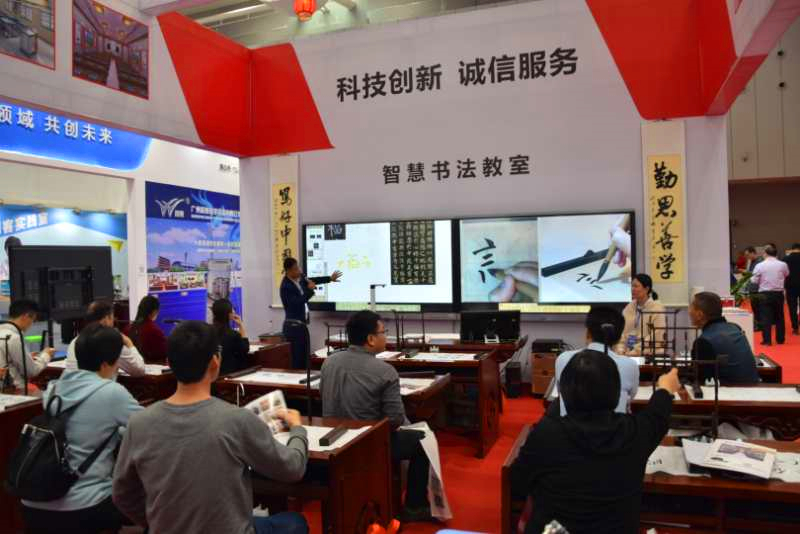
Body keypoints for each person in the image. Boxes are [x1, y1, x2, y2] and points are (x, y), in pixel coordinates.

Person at [112, 321, 309, 534]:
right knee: (294, 523)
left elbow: (122, 493)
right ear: (215, 362)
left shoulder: (139, 423)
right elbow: (292, 468)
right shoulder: (236, 420)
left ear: (169, 362)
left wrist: (156, 521)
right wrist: (298, 429)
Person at [510, 350, 680, 534]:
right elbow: (658, 413)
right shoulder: (636, 432)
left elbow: (517, 483)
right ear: (616, 391)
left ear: (564, 392)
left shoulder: (547, 433)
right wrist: (665, 388)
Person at [21, 323, 142, 534]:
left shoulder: (54, 388)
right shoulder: (111, 392)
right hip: (83, 505)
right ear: (106, 364)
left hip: (34, 501)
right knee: (148, 500)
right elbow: (150, 428)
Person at [320, 310, 431, 522]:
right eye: (383, 332)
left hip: (333, 439)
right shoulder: (385, 371)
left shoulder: (329, 362)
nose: (386, 336)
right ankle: (415, 506)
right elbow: (395, 420)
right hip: (368, 443)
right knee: (423, 440)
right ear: (371, 339)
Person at [554, 306, 639, 415]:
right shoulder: (629, 365)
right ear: (618, 338)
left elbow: (561, 393)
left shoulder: (563, 359)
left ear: (588, 333)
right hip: (613, 425)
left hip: (569, 425)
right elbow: (630, 397)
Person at [280, 257, 342, 369]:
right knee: (297, 357)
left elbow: (313, 280)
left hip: (301, 325)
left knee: (304, 355)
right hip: (293, 326)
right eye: (295, 269)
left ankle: (304, 375)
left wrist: (330, 278)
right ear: (288, 271)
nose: (299, 271)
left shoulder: (299, 279)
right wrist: (310, 290)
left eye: (298, 267)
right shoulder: (286, 286)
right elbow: (297, 303)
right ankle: (297, 377)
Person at [689, 292, 759, 384]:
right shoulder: (735, 328)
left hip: (729, 390)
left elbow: (701, 380)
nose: (689, 311)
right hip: (752, 386)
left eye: (691, 307)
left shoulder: (703, 342)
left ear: (699, 314)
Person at [65, 300, 145, 378]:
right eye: (112, 318)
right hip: (99, 386)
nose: (114, 321)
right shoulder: (110, 340)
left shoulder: (75, 341)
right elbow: (139, 370)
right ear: (107, 318)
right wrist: (129, 344)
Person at [0, 299, 54, 394]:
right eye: (33, 320)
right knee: (51, 395)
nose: (32, 324)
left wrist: (27, 356)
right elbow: (31, 371)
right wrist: (46, 355)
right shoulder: (14, 338)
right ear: (26, 316)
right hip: (15, 390)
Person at [618, 274, 667, 355]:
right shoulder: (629, 307)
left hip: (647, 351)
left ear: (646, 289)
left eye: (636, 286)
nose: (632, 289)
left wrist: (636, 350)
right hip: (628, 349)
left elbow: (657, 334)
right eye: (632, 286)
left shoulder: (657, 308)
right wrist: (621, 348)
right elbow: (621, 331)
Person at [751, 244, 789, 345]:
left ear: (765, 254)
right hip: (778, 293)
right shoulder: (783, 264)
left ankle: (767, 340)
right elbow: (786, 274)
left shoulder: (759, 265)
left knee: (765, 317)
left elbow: (754, 280)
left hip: (764, 293)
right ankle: (780, 339)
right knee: (780, 316)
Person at [211, 298, 250, 375]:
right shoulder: (233, 335)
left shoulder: (208, 332)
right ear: (229, 314)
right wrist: (240, 325)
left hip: (213, 373)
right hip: (230, 373)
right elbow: (245, 348)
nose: (234, 312)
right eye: (232, 310)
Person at [124, 295, 167, 363]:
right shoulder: (154, 331)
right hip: (152, 367)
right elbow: (164, 353)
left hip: (131, 367)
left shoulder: (128, 328)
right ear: (154, 311)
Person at [784, 243, 800, 335]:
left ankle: (795, 328)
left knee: (792, 307)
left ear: (792, 249)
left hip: (790, 286)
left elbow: (783, 273)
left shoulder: (786, 259)